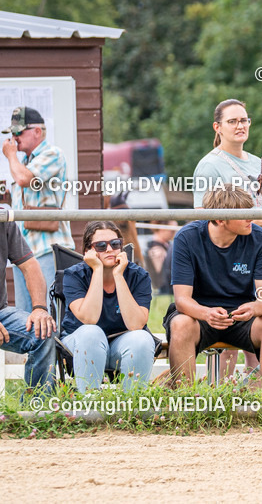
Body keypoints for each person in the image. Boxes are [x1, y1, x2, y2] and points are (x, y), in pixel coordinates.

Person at [164, 188, 262, 387]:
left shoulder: (261, 238)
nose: (251, 218)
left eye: (251, 211)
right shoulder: (187, 237)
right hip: (199, 315)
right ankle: (185, 401)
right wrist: (206, 313)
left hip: (240, 317)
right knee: (181, 324)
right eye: (243, 214)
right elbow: (182, 300)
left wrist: (254, 308)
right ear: (220, 219)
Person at [192, 98, 262, 375]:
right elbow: (200, 217)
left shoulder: (258, 162)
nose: (240, 125)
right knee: (228, 321)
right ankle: (222, 388)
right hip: (226, 254)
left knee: (256, 315)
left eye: (244, 120)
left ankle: (255, 385)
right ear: (217, 127)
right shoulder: (209, 166)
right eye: (232, 121)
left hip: (258, 249)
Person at [60, 221, 156, 392]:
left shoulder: (138, 276)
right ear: (88, 251)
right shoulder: (74, 275)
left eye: (115, 244)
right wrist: (97, 270)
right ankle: (90, 405)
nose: (110, 249)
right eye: (101, 246)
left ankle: (130, 407)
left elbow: (136, 325)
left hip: (121, 344)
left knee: (143, 338)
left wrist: (118, 275)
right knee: (92, 332)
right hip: (81, 344)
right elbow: (89, 319)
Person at [2, 106, 74, 311]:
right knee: (27, 318)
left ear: (37, 131)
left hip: (47, 249)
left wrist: (10, 156)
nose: (14, 137)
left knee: (51, 316)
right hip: (24, 252)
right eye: (12, 133)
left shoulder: (52, 153)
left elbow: (24, 179)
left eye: (19, 131)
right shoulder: (24, 161)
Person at [0, 218, 56, 390]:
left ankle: (38, 410)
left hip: (2, 314)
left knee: (43, 330)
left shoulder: (3, 221)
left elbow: (30, 266)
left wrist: (39, 308)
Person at [144, 221, 178, 295]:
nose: (174, 234)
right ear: (162, 229)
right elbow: (161, 277)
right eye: (172, 231)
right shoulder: (156, 249)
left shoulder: (166, 246)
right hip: (163, 293)